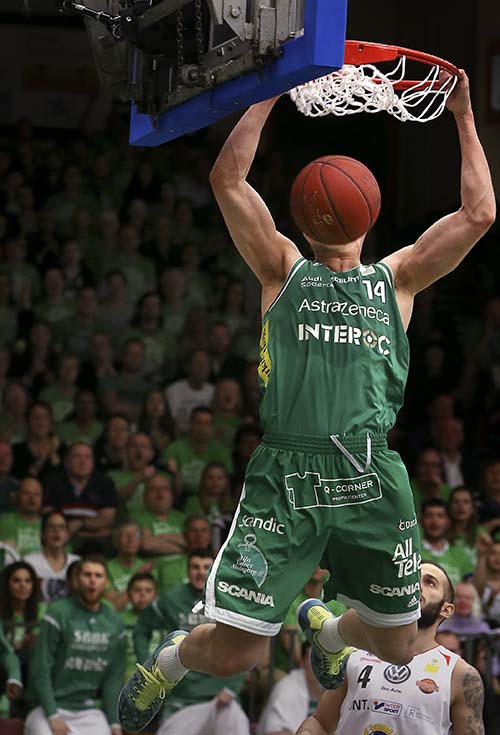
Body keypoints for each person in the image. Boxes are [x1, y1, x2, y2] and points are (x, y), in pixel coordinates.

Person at [119, 71, 496, 732]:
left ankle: (324, 633)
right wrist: (271, 89)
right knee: (239, 653)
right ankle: (167, 663)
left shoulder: (397, 280)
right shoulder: (282, 269)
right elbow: (228, 181)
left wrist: (463, 115)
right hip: (288, 475)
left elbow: (480, 215)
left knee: (398, 643)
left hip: (369, 473)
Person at [295, 562, 486, 735]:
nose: (417, 585)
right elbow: (320, 722)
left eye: (430, 583)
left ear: (446, 609)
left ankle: (329, 632)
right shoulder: (355, 653)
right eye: (413, 578)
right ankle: (330, 633)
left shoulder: (460, 674)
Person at [134, 549, 249, 735]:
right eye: (195, 567)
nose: (200, 572)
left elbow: (244, 645)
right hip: (183, 695)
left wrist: (232, 688)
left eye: (206, 567)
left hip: (221, 695)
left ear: (215, 568)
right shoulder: (171, 599)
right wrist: (148, 668)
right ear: (187, 571)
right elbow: (141, 629)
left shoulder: (230, 599)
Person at [25, 554, 125, 735]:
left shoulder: (114, 621)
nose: (92, 581)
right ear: (77, 580)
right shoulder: (58, 612)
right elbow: (41, 668)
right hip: (48, 708)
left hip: (88, 710)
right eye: (87, 575)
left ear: (106, 582)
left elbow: (114, 680)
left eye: (98, 576)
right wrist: (53, 715)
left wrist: (114, 723)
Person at [257, 642, 323, 735]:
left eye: (325, 658)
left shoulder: (339, 687)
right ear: (302, 662)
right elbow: (274, 732)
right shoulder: (287, 688)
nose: (321, 664)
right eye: (314, 658)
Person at [24, 510, 80, 603]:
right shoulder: (28, 562)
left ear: (67, 535)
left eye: (61, 527)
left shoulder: (77, 562)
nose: (56, 531)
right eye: (51, 527)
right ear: (43, 534)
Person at [420, 499, 473, 586]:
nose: (435, 522)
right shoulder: (413, 553)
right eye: (429, 516)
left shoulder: (461, 555)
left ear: (448, 522)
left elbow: (472, 589)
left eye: (440, 516)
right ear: (421, 520)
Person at [0, 478, 43, 557]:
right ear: (17, 496)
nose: (32, 498)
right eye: (26, 493)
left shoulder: (49, 525)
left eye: (37, 494)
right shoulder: (3, 522)